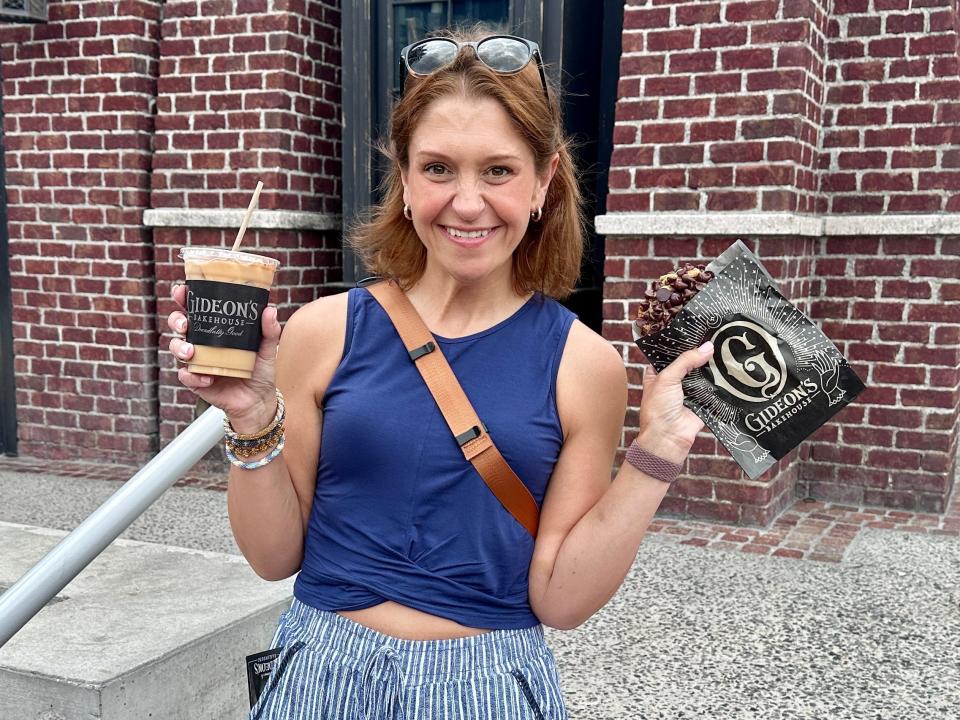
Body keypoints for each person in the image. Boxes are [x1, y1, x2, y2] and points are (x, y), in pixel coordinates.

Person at [167, 28, 713, 720]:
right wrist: (251, 419)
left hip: (487, 686)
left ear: (544, 180)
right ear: (403, 176)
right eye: (437, 169)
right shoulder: (322, 331)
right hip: (321, 673)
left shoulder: (585, 365)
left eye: (498, 171)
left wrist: (656, 454)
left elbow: (562, 599)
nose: (466, 203)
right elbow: (274, 557)